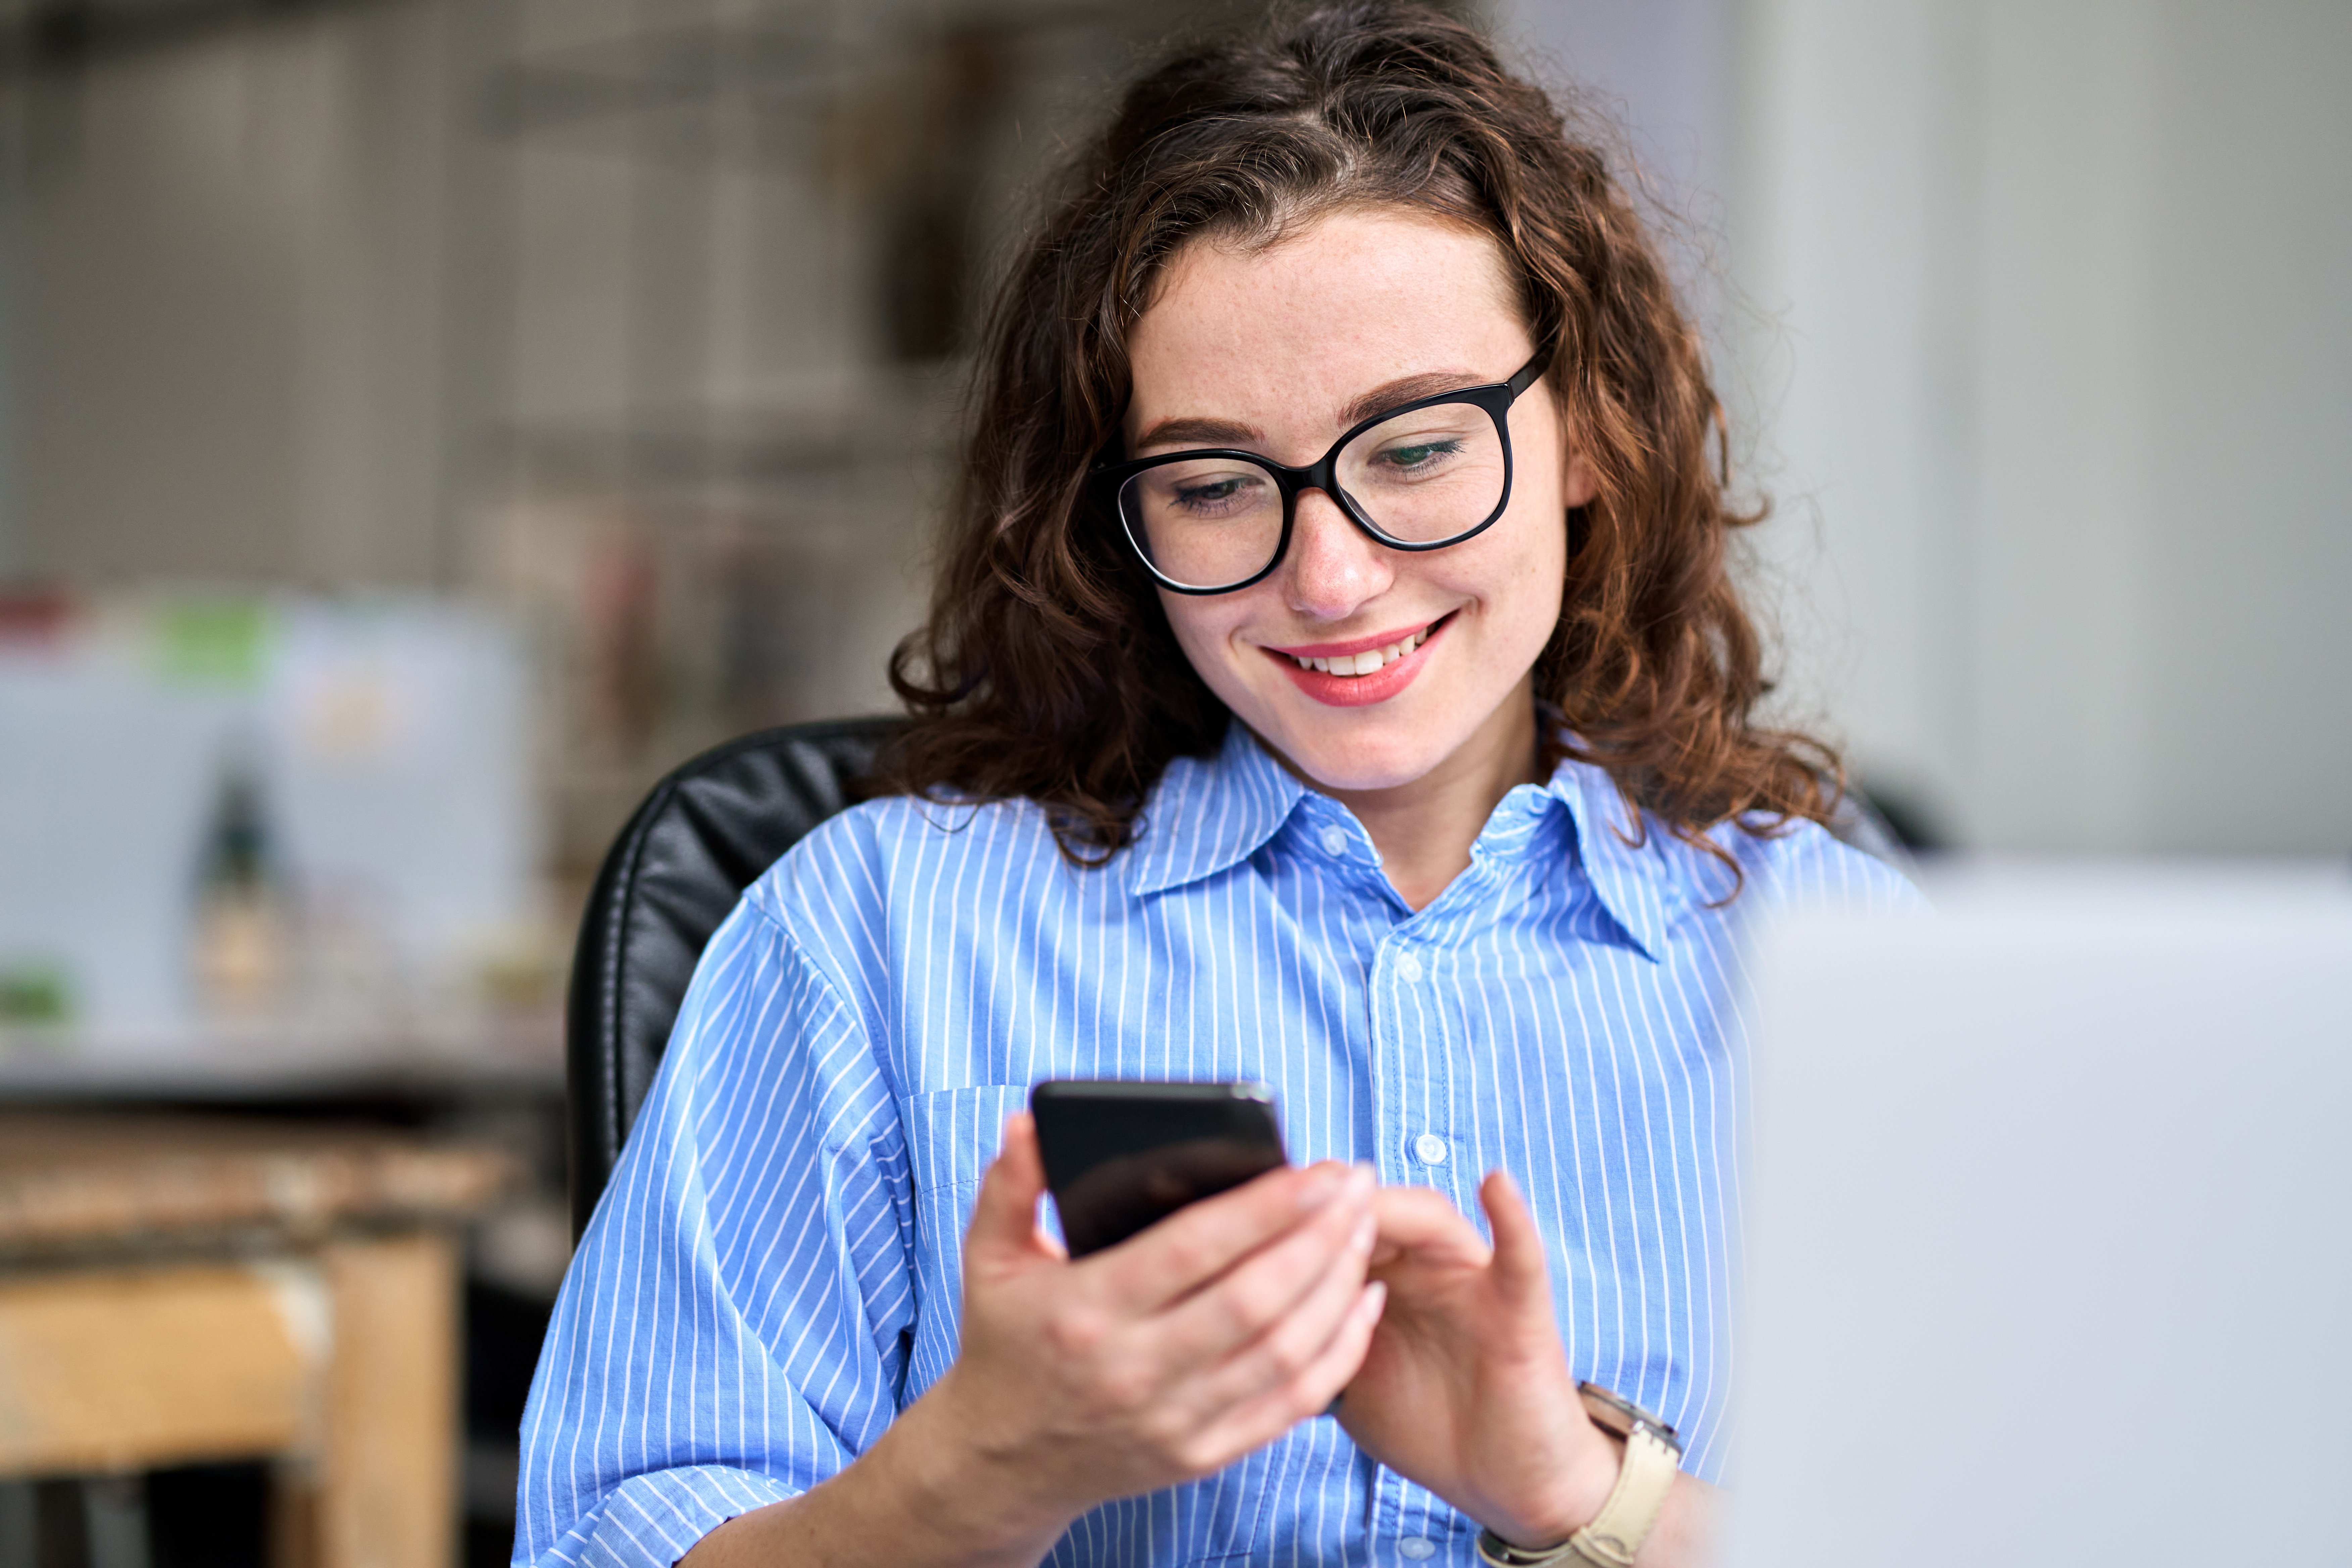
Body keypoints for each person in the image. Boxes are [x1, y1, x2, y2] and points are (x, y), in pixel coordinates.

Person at [515, 5, 1916, 1565]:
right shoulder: (870, 936)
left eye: (1419, 447)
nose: (1328, 575)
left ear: (1589, 427)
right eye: (1207, 483)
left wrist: (1581, 1496)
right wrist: (977, 1473)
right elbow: (605, 1542)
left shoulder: (1849, 958)